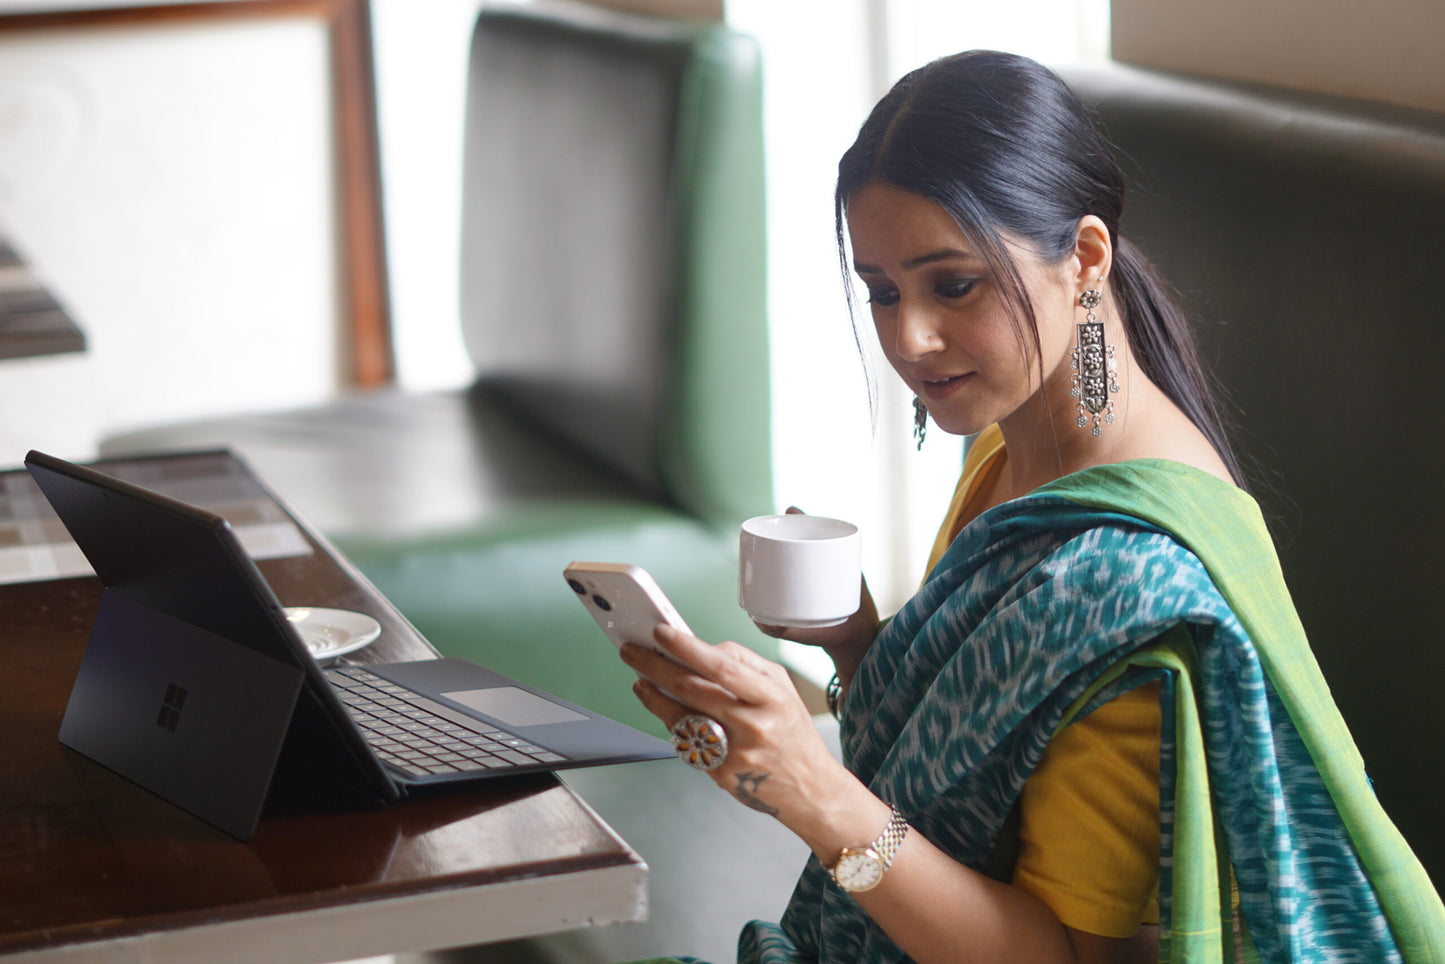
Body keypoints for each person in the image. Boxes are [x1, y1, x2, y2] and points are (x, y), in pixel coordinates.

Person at [618, 50, 1444, 964]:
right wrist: (858, 646)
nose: (909, 339)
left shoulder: (1127, 587)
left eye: (953, 284)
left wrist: (818, 799)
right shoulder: (1014, 450)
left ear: (1084, 257)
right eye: (882, 293)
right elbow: (970, 780)